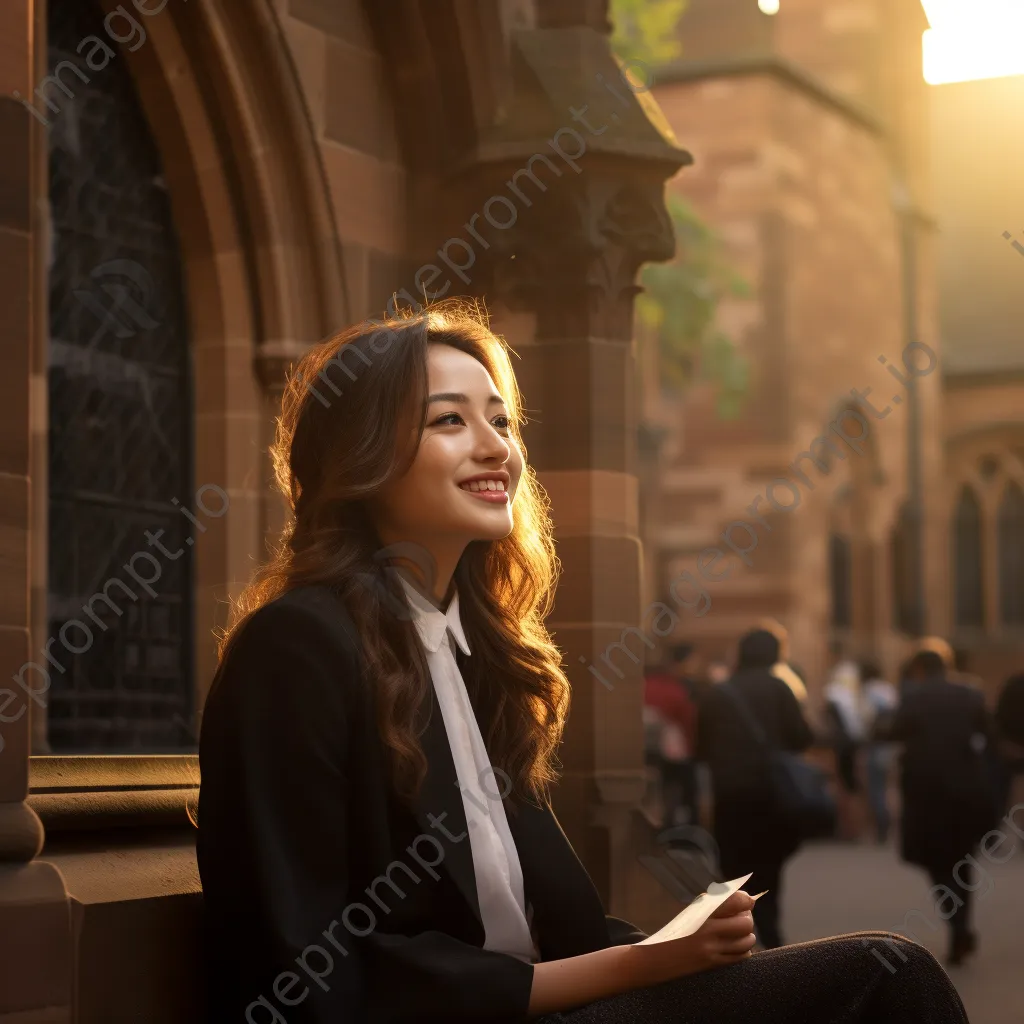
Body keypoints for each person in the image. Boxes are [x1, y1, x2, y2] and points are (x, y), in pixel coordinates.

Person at [197, 301, 971, 1023]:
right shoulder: (297, 649)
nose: (496, 446)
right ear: (361, 454)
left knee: (874, 980)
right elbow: (313, 972)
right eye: (449, 421)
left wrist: (677, 946)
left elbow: (557, 925)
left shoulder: (480, 655)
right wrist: (644, 965)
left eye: (501, 420)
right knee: (885, 979)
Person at [696, 629, 814, 950]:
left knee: (734, 866)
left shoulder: (719, 693)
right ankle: (771, 933)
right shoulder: (780, 688)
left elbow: (700, 747)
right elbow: (802, 737)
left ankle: (735, 936)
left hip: (731, 794)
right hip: (772, 795)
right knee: (769, 867)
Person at [885, 649, 1001, 966]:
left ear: (920, 668)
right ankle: (961, 928)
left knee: (936, 862)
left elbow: (892, 731)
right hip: (965, 788)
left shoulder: (913, 696)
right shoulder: (970, 693)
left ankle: (957, 926)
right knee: (962, 860)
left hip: (925, 792)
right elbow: (990, 737)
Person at [643, 647, 699, 827]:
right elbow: (689, 721)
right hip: (672, 755)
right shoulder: (676, 690)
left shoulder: (643, 685)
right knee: (679, 791)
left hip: (643, 753)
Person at [824, 657, 868, 840]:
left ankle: (848, 830)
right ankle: (855, 830)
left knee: (845, 788)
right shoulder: (855, 696)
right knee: (854, 788)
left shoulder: (834, 694)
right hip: (855, 745)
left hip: (842, 747)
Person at [859, 660, 898, 844]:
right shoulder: (888, 689)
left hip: (875, 744)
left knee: (876, 787)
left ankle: (881, 825)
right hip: (890, 745)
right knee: (887, 786)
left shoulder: (867, 691)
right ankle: (889, 823)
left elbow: (864, 719)